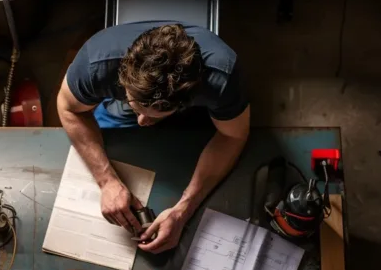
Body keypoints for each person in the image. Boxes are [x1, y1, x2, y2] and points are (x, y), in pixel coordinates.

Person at [57, 22, 250, 254]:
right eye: (136, 108)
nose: (141, 123)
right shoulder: (96, 64)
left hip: (195, 109)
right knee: (113, 123)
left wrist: (182, 211)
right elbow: (67, 107)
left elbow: (232, 136)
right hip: (120, 97)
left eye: (151, 116)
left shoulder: (222, 78)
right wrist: (106, 181)